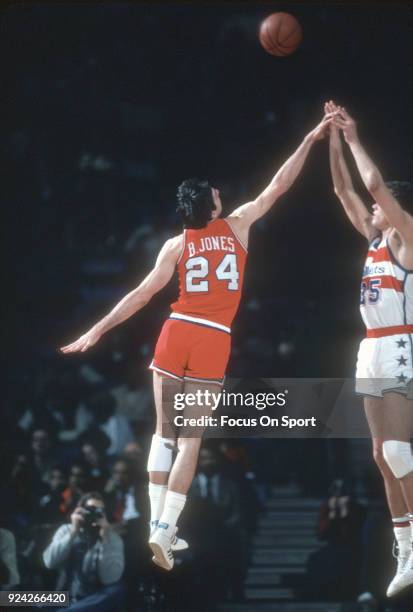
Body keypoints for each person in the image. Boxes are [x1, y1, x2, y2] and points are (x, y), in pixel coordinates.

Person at [60, 110, 336, 570]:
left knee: (163, 434)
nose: (222, 194)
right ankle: (168, 529)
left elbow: (142, 295)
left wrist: (97, 328)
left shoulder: (176, 244)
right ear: (212, 205)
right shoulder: (240, 224)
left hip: (175, 332)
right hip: (213, 339)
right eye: (216, 193)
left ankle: (153, 527)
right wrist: (309, 137)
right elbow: (280, 184)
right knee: (191, 440)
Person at [326, 99, 413, 597]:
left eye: (380, 207)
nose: (372, 206)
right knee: (381, 454)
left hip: (402, 344)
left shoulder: (404, 239)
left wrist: (356, 136)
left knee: (399, 449)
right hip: (372, 348)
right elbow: (343, 188)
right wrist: (332, 137)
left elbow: (374, 185)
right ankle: (404, 550)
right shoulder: (372, 239)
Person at [43, 492, 124, 611]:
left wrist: (105, 538)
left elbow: (110, 578)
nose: (93, 514)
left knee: (117, 589)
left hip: (93, 599)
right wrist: (73, 531)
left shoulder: (112, 539)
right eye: (89, 509)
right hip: (62, 596)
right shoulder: (66, 530)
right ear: (79, 510)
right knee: (14, 598)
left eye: (99, 511)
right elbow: (49, 562)